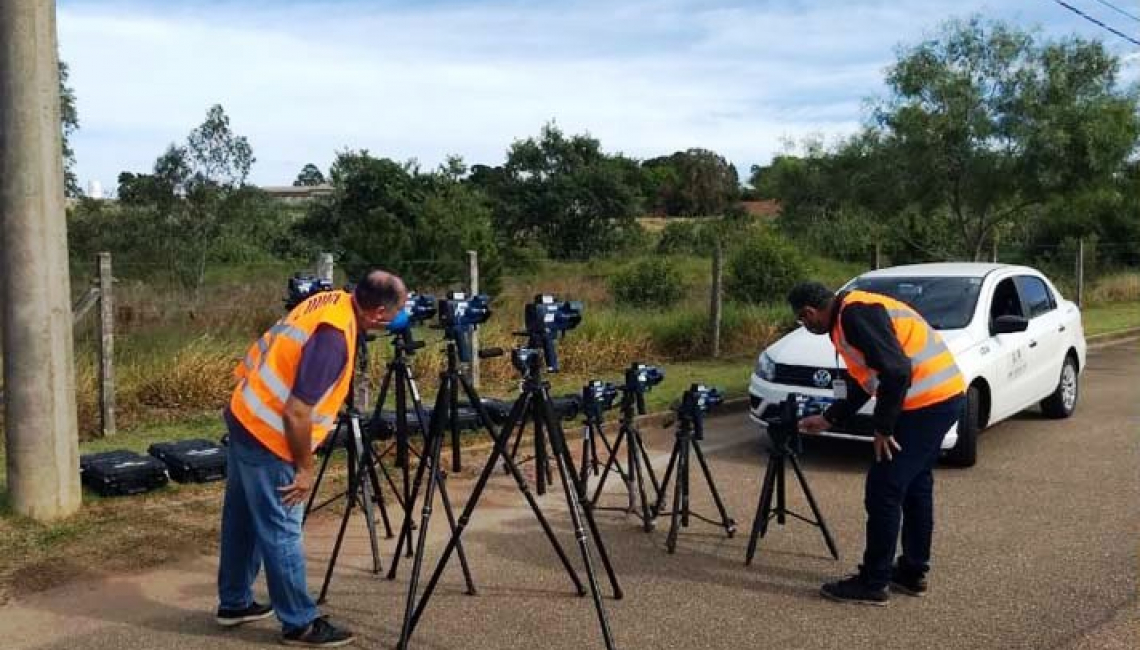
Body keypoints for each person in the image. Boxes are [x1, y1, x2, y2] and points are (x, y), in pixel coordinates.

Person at [216, 270, 406, 647]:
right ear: (377, 315)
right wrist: (304, 469)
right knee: (282, 528)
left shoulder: (329, 301)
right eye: (397, 311)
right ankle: (299, 622)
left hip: (246, 415)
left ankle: (234, 602)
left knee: (242, 520)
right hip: (271, 435)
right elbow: (297, 412)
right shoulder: (334, 339)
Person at [788, 281, 965, 606]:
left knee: (884, 489)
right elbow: (866, 381)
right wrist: (830, 418)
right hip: (936, 399)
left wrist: (882, 428)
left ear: (809, 312)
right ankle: (912, 572)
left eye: (803, 320)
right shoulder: (848, 315)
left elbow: (897, 372)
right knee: (915, 485)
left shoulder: (855, 315)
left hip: (927, 404)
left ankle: (873, 581)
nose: (806, 326)